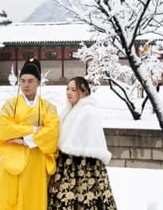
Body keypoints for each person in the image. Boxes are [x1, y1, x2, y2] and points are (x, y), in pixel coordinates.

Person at [0, 58, 59, 210]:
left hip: (36, 164)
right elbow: (5, 128)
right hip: (12, 162)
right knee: (11, 201)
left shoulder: (48, 107)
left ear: (39, 82)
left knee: (34, 201)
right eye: (22, 81)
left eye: (30, 81)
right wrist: (34, 130)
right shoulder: (10, 105)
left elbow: (52, 131)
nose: (26, 85)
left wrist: (23, 140)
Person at [48, 76, 117, 210]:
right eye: (67, 89)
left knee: (86, 198)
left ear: (84, 92)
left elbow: (90, 138)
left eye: (74, 90)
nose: (69, 92)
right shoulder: (68, 110)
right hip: (66, 164)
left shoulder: (88, 111)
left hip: (86, 165)